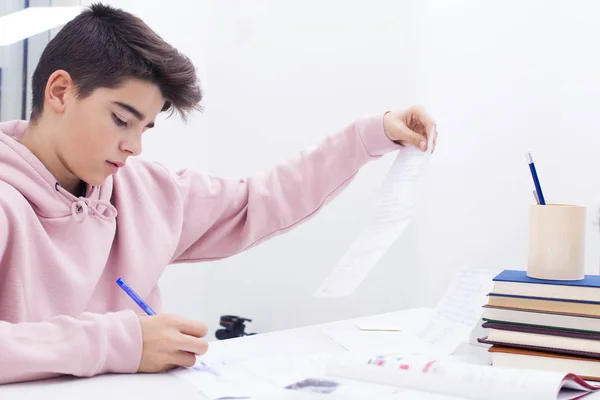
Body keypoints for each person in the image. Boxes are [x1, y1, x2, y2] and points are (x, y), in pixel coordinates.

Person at [0, 3, 437, 385]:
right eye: (121, 119)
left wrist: (370, 136)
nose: (134, 146)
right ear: (60, 91)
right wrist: (120, 342)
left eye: (145, 128)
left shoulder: (142, 190)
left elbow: (259, 200)